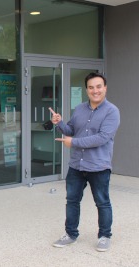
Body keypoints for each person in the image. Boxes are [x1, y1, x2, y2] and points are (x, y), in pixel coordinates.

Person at [49, 72, 120, 252]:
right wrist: (59, 123)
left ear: (105, 88)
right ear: (86, 89)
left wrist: (73, 142)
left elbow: (101, 138)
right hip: (76, 165)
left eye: (98, 87)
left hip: (99, 166)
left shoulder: (112, 111)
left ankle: (105, 236)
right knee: (72, 201)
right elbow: (71, 129)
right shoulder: (80, 108)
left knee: (102, 202)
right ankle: (70, 234)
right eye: (91, 87)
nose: (95, 91)